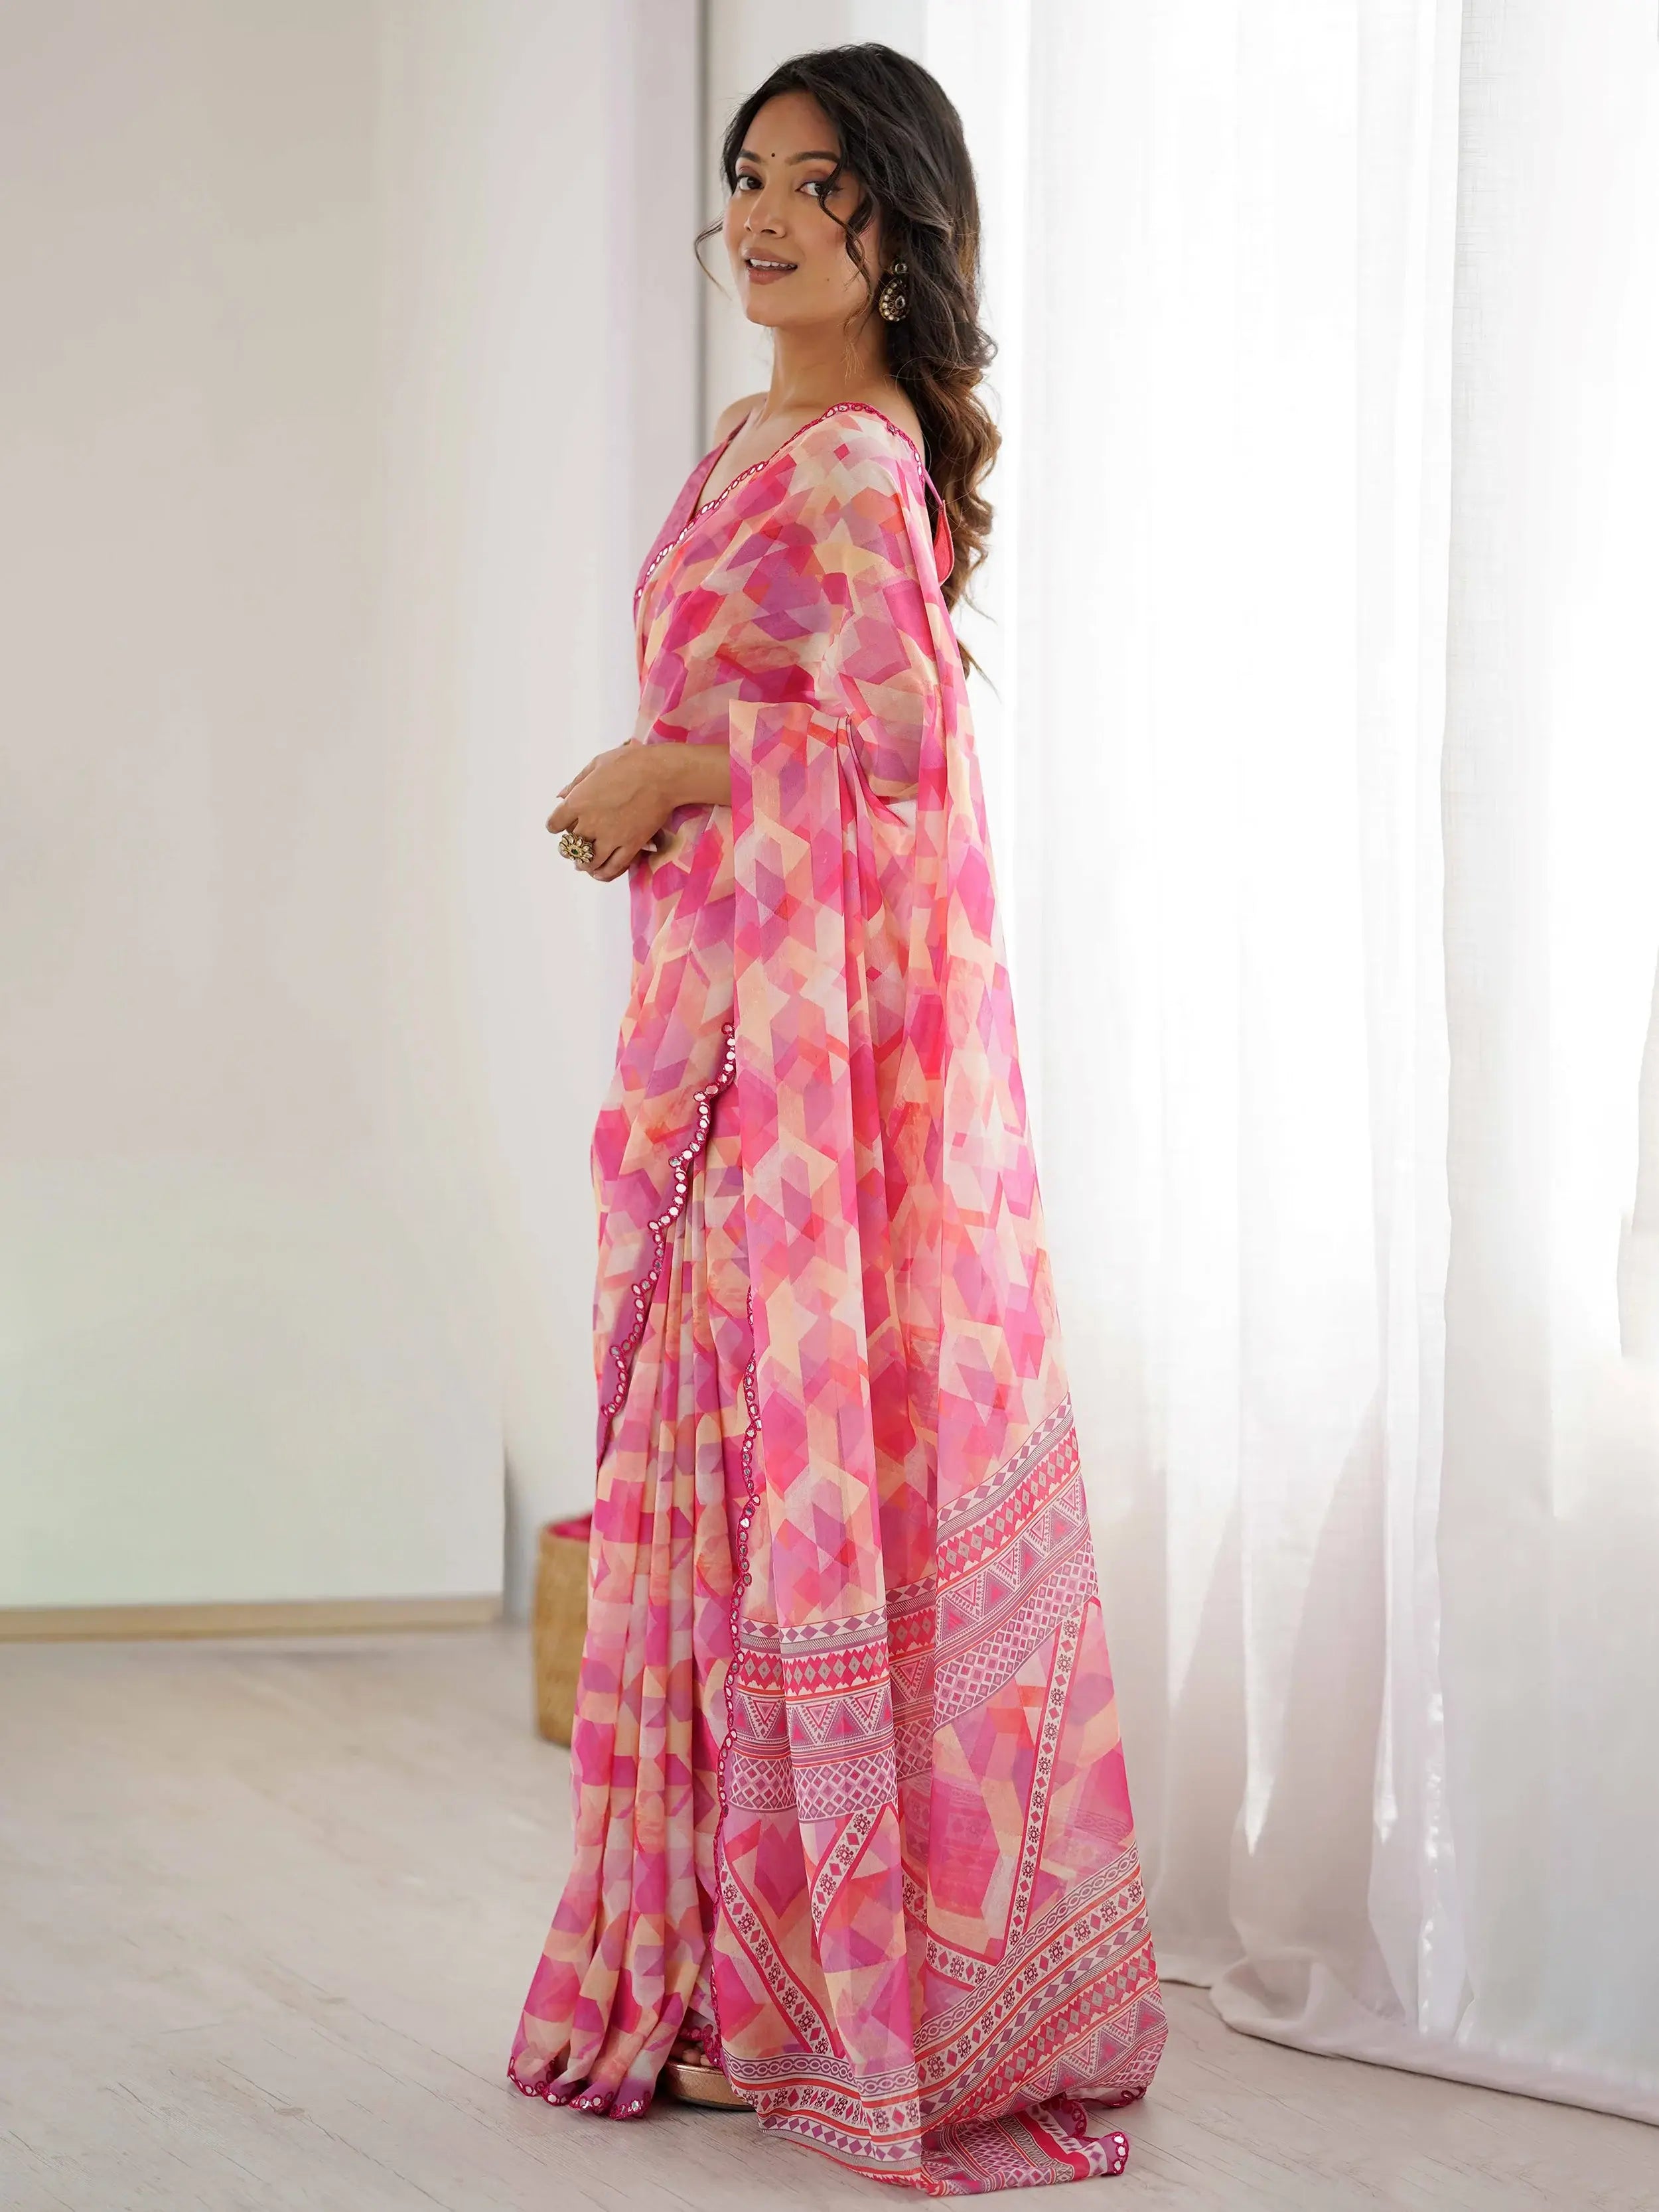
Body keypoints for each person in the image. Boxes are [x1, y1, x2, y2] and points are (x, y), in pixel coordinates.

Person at [509, 42, 1167, 2193]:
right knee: (703, 1484)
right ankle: (723, 1965)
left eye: (819, 182)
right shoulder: (750, 435)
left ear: (902, 224)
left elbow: (896, 786)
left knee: (764, 1482)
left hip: (799, 1103)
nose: (765, 216)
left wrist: (679, 774)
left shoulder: (861, 462)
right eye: (746, 175)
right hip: (712, 1043)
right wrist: (663, 786)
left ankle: (797, 1986)